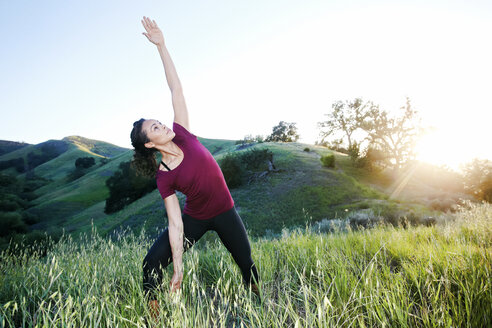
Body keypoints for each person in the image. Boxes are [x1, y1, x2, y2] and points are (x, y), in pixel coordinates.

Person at [130, 16, 260, 316]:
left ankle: (258, 299)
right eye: (155, 128)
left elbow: (176, 89)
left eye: (158, 122)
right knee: (150, 264)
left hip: (225, 211)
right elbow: (176, 225)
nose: (162, 124)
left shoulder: (184, 134)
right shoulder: (164, 177)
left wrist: (161, 46)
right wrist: (178, 268)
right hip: (196, 219)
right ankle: (155, 316)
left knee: (246, 261)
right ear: (150, 144)